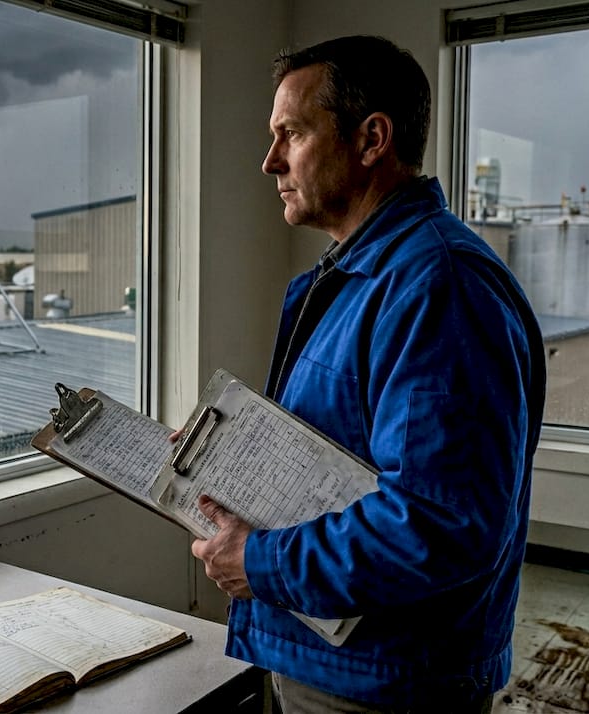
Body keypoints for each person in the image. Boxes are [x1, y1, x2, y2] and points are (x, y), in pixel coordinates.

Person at [189, 36, 546, 713]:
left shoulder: (439, 287)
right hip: (332, 654)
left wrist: (262, 563)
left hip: (386, 682)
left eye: (290, 134)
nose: (269, 162)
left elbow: (440, 523)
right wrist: (221, 459)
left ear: (371, 139)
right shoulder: (365, 276)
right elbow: (343, 449)